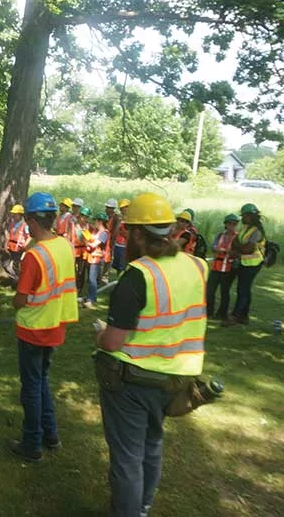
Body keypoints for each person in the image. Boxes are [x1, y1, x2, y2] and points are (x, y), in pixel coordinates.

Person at [94, 192, 208, 517]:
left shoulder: (137, 275)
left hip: (133, 382)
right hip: (176, 379)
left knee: (128, 457)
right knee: (152, 446)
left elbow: (114, 341)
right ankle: (142, 507)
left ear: (140, 234)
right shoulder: (198, 267)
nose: (126, 237)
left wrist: (100, 332)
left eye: (129, 231)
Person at [8, 192, 78, 462]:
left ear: (31, 221)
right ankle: (51, 435)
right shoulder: (64, 246)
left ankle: (32, 444)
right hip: (55, 326)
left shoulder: (34, 256)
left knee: (32, 388)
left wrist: (15, 301)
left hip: (33, 329)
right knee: (42, 382)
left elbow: (21, 298)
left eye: (27, 219)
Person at [225, 203, 266, 326]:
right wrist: (239, 248)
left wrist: (239, 249)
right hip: (244, 261)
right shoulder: (245, 228)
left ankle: (235, 316)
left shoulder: (257, 231)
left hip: (253, 263)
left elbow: (248, 249)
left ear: (251, 216)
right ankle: (244, 316)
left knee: (242, 290)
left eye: (244, 216)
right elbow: (235, 242)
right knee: (244, 290)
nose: (242, 218)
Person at [207, 214, 239, 321]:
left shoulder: (238, 237)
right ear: (225, 224)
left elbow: (238, 252)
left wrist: (227, 252)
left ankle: (222, 313)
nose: (232, 225)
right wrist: (217, 249)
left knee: (224, 292)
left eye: (234, 224)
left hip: (229, 269)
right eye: (229, 223)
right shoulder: (220, 235)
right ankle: (209, 312)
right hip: (216, 267)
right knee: (210, 291)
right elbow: (213, 247)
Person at [84, 211, 109, 309]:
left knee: (92, 279)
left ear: (100, 221)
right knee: (91, 279)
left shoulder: (104, 233)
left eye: (95, 220)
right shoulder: (96, 232)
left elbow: (94, 244)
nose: (94, 222)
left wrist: (86, 242)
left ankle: (91, 299)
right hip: (92, 257)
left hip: (97, 259)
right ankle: (90, 297)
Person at [1, 204, 30, 282]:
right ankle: (16, 279)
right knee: (5, 264)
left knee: (16, 266)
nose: (13, 215)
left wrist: (25, 246)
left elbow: (29, 237)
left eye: (15, 214)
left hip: (19, 249)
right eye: (13, 213)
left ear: (20, 215)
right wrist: (5, 246)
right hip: (10, 247)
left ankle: (17, 282)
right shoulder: (12, 224)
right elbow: (8, 236)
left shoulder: (25, 225)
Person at [75, 206, 93, 299]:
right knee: (74, 270)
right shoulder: (73, 225)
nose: (85, 219)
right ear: (80, 216)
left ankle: (79, 289)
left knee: (81, 272)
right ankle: (73, 287)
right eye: (84, 217)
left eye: (87, 217)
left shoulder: (88, 226)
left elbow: (91, 238)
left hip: (84, 251)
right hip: (74, 250)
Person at [111, 199, 130, 277]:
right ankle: (119, 281)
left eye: (125, 207)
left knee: (123, 267)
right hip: (118, 245)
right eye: (121, 208)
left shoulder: (131, 220)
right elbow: (114, 232)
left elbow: (128, 235)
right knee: (117, 266)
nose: (123, 209)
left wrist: (121, 231)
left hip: (126, 246)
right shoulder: (119, 219)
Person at [103, 199, 121, 280]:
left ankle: (105, 274)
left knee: (109, 257)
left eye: (108, 207)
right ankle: (102, 274)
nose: (106, 209)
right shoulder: (106, 217)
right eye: (106, 207)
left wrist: (111, 242)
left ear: (113, 209)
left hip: (111, 240)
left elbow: (116, 231)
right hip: (105, 239)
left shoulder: (116, 218)